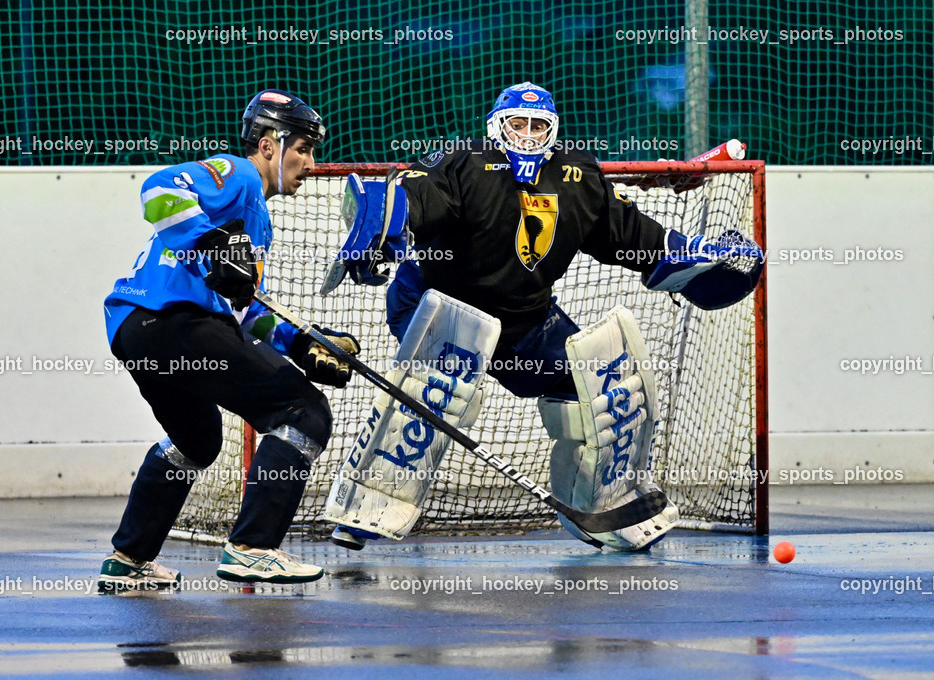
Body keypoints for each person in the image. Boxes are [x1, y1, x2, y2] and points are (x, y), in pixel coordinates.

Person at [325, 82, 763, 552]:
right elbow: (407, 199)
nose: (529, 135)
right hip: (440, 304)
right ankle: (365, 508)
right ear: (497, 126)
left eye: (539, 125)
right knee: (435, 394)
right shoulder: (466, 163)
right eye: (519, 124)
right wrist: (380, 227)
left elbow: (630, 234)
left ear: (553, 130)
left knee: (604, 391)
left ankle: (603, 509)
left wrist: (686, 259)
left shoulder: (576, 176)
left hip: (525, 320)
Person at [97, 89, 361, 591]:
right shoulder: (238, 175)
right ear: (267, 145)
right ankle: (254, 549)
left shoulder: (255, 219)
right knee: (302, 411)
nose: (309, 162)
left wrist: (303, 345)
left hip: (138, 331)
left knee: (195, 442)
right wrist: (214, 242)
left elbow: (242, 309)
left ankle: (128, 559)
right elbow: (158, 189)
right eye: (302, 148)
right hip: (175, 322)